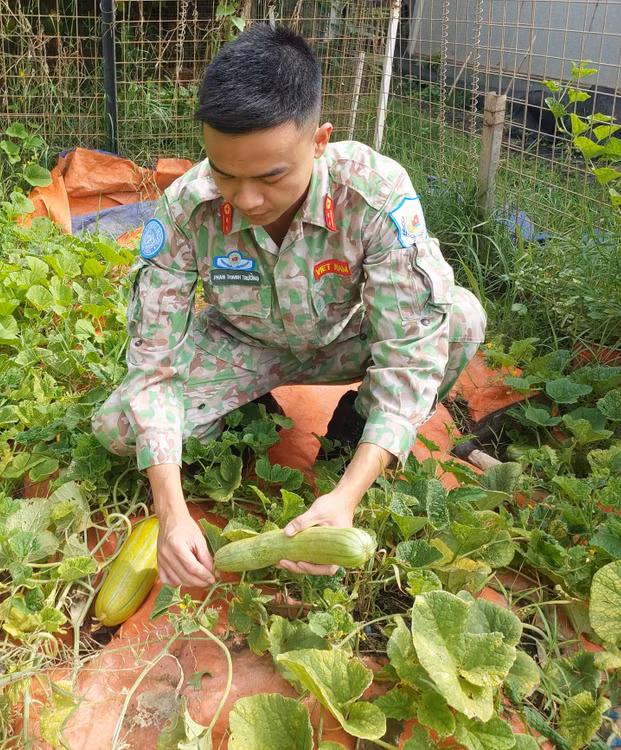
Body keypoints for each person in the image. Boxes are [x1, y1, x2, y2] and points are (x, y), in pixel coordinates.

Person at [92, 23, 486, 588]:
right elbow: (153, 363)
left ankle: (355, 432)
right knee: (116, 426)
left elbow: (410, 350)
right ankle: (248, 411)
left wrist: (346, 498)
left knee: (462, 322)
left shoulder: (373, 192)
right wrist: (170, 511)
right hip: (243, 345)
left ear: (319, 139)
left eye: (271, 176)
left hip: (347, 340)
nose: (246, 198)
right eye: (225, 173)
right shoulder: (184, 208)